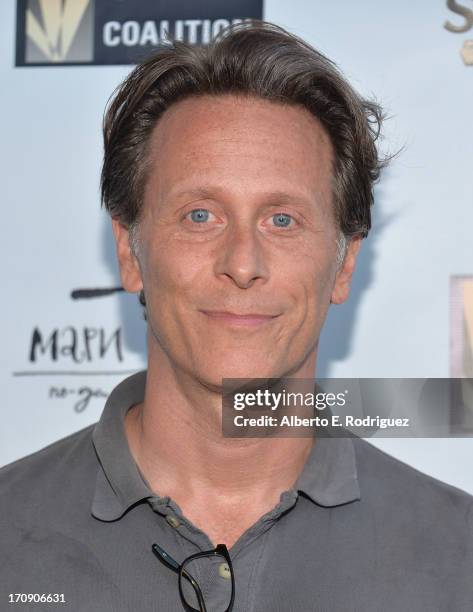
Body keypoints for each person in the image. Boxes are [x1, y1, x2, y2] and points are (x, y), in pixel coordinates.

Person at [1, 21, 472, 612]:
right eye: (201, 216)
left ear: (345, 263)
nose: (242, 264)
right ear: (130, 250)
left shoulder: (458, 557)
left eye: (282, 220)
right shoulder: (9, 537)